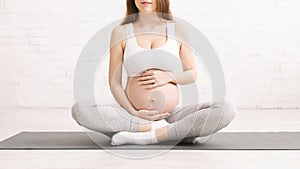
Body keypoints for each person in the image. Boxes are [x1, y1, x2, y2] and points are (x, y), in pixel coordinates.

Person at [71, 0, 237, 145]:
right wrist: (133, 112)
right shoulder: (121, 32)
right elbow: (114, 83)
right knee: (81, 109)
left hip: (171, 115)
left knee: (225, 109)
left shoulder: (177, 29)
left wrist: (168, 76)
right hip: (133, 116)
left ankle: (148, 135)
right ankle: (166, 132)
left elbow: (191, 74)